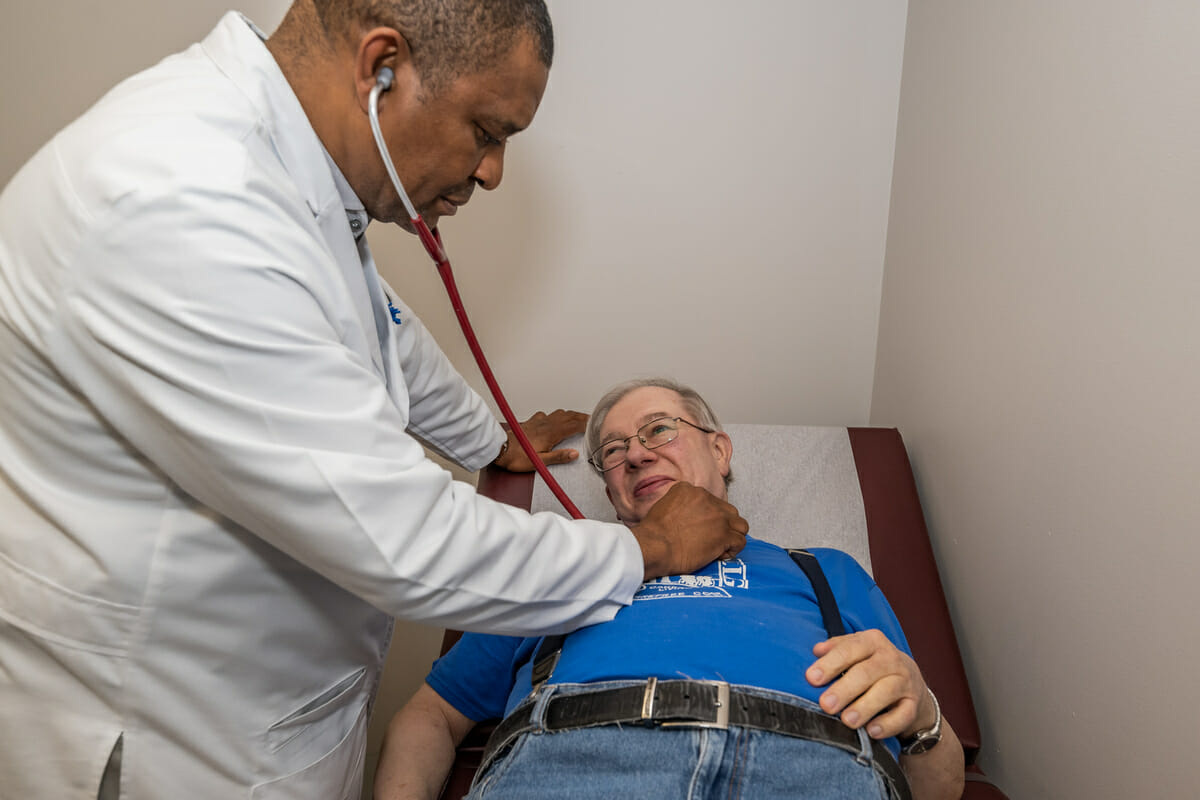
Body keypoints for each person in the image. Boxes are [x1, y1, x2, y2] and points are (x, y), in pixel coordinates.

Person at [0, 4, 748, 798]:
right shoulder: (182, 200)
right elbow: (408, 539)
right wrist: (649, 549)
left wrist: (488, 438)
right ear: (380, 66)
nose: (492, 171)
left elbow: (375, 325)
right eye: (488, 130)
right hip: (175, 735)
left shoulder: (285, 171)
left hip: (266, 705)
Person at [374, 378, 966, 800]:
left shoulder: (824, 569)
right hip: (581, 760)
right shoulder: (557, 564)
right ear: (610, 491)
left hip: (811, 767)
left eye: (659, 429)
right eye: (612, 450)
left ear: (720, 449)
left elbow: (937, 784)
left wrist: (924, 714)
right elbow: (430, 717)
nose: (635, 453)